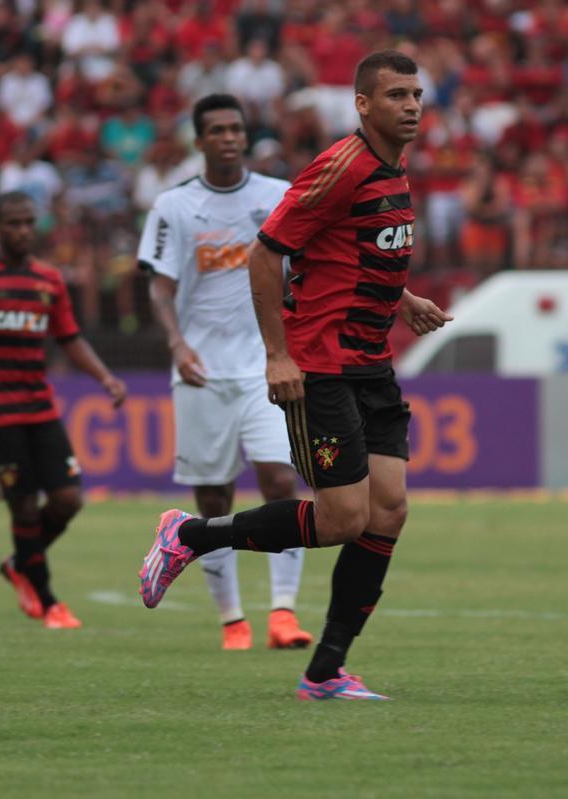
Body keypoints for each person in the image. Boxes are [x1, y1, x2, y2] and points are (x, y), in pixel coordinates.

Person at [139, 51, 452, 700]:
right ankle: (190, 534)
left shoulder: (394, 171)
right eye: (396, 94)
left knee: (388, 511)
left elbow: (354, 257)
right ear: (363, 104)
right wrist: (279, 356)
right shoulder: (342, 166)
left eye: (416, 93)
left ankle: (325, 671)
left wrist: (406, 300)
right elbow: (266, 253)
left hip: (372, 362)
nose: (412, 105)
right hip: (323, 367)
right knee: (342, 518)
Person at [137, 94, 312, 651]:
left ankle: (283, 614)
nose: (230, 138)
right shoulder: (173, 206)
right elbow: (159, 286)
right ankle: (232, 618)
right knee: (213, 499)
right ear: (200, 141)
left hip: (266, 365)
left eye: (237, 128)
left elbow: (306, 266)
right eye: (217, 130)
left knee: (281, 481)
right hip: (201, 372)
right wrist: (176, 342)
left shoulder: (275, 196)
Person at [0, 191, 127, 630]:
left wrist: (106, 378)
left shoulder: (49, 280)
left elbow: (69, 338)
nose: (22, 231)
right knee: (24, 509)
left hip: (38, 405)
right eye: (13, 223)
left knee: (68, 500)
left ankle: (19, 564)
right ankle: (49, 601)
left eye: (28, 222)